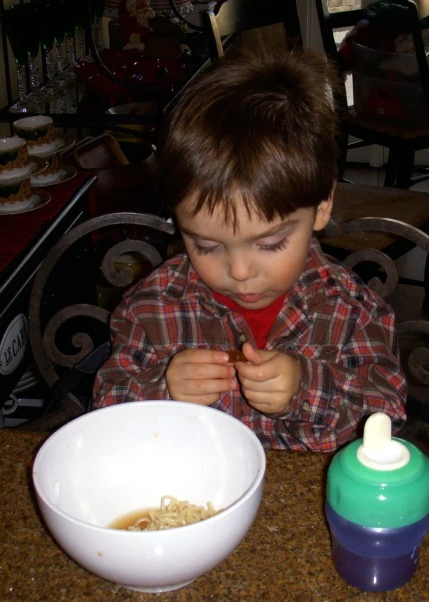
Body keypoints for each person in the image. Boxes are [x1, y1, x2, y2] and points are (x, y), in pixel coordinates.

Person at [92, 46, 407, 451]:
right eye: (206, 245)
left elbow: (387, 420)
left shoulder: (353, 311)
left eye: (271, 243)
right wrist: (161, 390)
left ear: (322, 205)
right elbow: (104, 413)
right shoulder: (150, 308)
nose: (239, 271)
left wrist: (306, 389)